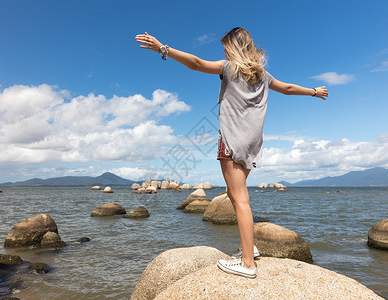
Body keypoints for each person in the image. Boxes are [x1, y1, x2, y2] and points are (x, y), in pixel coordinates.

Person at [135, 27, 328, 279]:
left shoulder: (228, 67)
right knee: (234, 193)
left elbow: (195, 63)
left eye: (226, 47)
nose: (224, 51)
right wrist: (314, 91)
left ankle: (248, 263)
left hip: (232, 140)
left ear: (233, 48)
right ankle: (251, 248)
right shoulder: (264, 75)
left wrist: (164, 48)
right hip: (252, 142)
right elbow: (289, 88)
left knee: (240, 199)